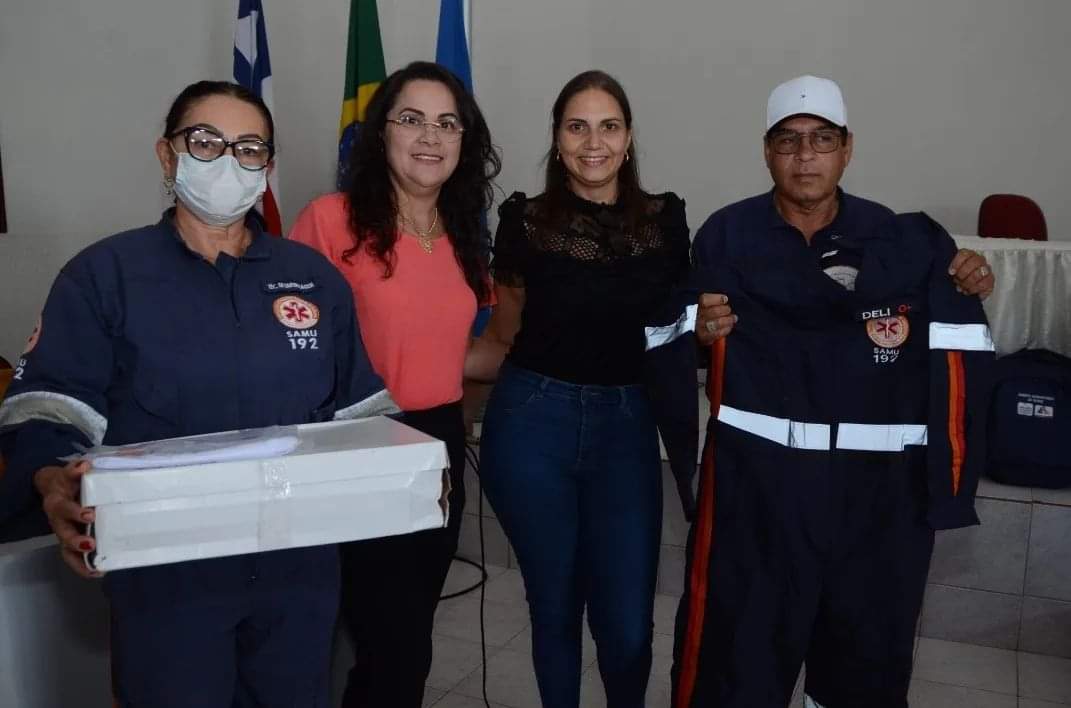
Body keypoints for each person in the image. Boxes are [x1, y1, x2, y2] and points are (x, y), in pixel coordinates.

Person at [0, 80, 396, 708]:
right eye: (206, 142)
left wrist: (408, 472)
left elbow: (360, 411)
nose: (228, 161)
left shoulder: (312, 279)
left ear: (266, 167)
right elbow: (50, 404)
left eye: (249, 148)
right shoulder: (106, 275)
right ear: (168, 154)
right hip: (167, 570)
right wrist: (51, 480)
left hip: (297, 566)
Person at [670, 75, 996, 708]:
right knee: (738, 657)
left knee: (864, 666)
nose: (805, 156)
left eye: (822, 139)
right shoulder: (726, 234)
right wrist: (698, 332)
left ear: (847, 149)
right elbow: (678, 334)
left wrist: (966, 279)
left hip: (877, 498)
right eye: (788, 141)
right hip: (757, 491)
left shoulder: (902, 241)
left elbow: (953, 350)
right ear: (766, 152)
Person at [465, 69, 705, 708]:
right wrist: (426, 378)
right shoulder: (524, 221)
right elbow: (504, 334)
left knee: (627, 627)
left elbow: (683, 330)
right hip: (532, 422)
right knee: (555, 608)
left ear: (628, 138)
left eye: (608, 126)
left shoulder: (666, 221)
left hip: (627, 426)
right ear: (557, 138)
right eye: (577, 127)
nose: (593, 142)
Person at [288, 61, 501, 708]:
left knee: (410, 639)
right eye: (411, 119)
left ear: (464, 141)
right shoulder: (330, 220)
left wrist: (563, 351)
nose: (430, 136)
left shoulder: (464, 238)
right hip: (356, 444)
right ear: (381, 132)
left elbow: (455, 352)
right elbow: (288, 345)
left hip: (437, 450)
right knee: (373, 643)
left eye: (447, 123)